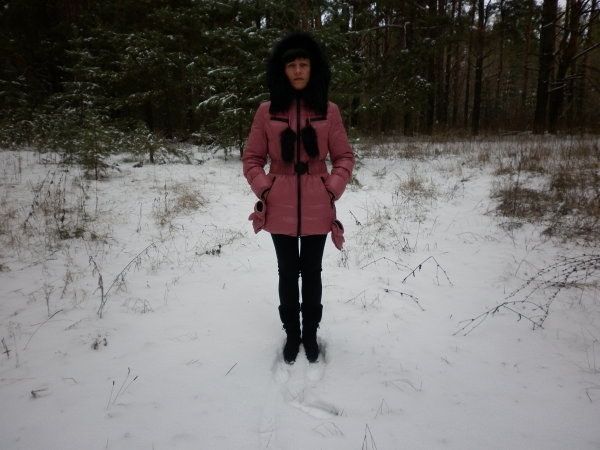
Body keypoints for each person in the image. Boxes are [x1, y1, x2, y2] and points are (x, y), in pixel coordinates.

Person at [242, 32, 355, 364]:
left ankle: (311, 334)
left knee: (313, 271)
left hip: (318, 204)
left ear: (313, 68)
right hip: (279, 205)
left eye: (304, 64)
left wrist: (330, 188)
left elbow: (344, 157)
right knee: (288, 272)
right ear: (282, 70)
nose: (298, 70)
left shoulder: (329, 111)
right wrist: (266, 188)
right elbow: (252, 159)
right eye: (291, 65)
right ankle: (292, 332)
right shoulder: (266, 112)